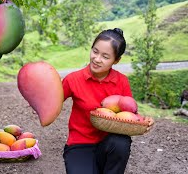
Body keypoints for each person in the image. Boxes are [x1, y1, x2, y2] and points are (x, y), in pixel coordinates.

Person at [61, 28, 154, 174]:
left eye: (105, 56)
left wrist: (144, 121)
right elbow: (53, 102)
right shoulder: (73, 79)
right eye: (95, 51)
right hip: (79, 144)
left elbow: (129, 114)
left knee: (121, 143)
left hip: (109, 144)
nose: (97, 59)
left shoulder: (121, 81)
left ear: (116, 60)